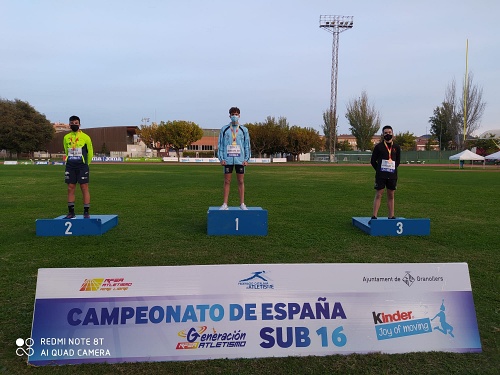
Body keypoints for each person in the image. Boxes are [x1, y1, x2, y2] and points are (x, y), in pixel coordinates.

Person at [217, 107, 251, 210]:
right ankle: (225, 204)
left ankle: (242, 204)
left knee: (240, 181)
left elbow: (247, 145)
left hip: (240, 159)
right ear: (229, 116)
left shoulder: (244, 130)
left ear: (239, 115)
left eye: (236, 114)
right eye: (232, 114)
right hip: (227, 159)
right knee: (227, 181)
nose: (234, 116)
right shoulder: (224, 129)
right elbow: (221, 145)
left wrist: (246, 159)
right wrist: (221, 158)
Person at [63, 115, 93, 218]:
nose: (74, 125)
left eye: (76, 123)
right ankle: (71, 212)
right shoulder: (66, 137)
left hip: (82, 166)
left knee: (84, 187)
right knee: (70, 187)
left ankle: (86, 211)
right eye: (72, 123)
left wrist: (86, 164)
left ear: (79, 124)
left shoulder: (85, 137)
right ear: (69, 124)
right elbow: (66, 151)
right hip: (70, 165)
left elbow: (90, 152)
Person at [370, 125, 401, 222]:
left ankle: (391, 216)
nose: (388, 134)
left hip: (392, 175)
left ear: (393, 133)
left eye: (389, 132)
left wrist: (392, 169)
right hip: (381, 175)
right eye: (386, 133)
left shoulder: (396, 147)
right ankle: (374, 216)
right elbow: (373, 161)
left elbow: (398, 161)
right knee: (379, 194)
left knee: (391, 194)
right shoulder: (378, 147)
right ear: (383, 135)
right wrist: (379, 170)